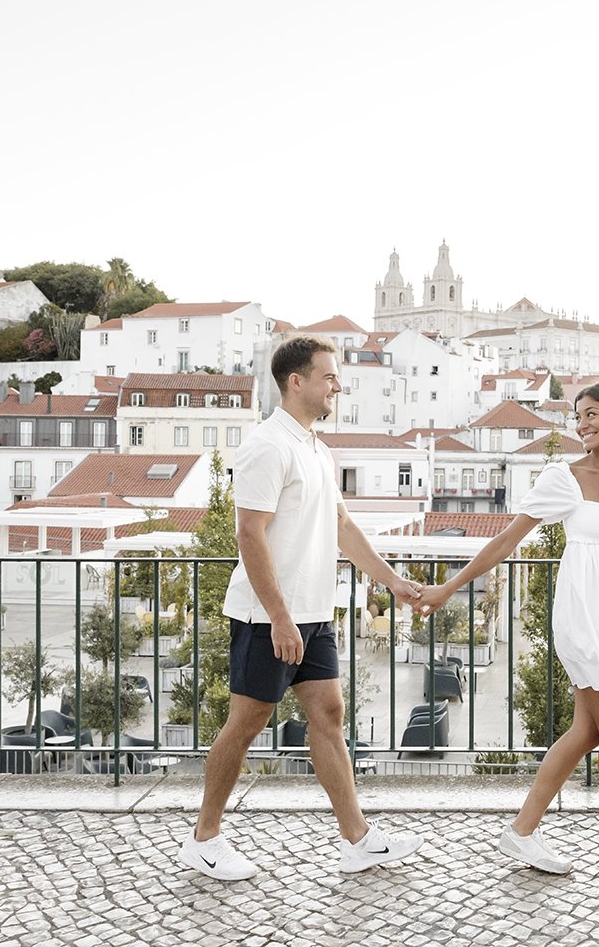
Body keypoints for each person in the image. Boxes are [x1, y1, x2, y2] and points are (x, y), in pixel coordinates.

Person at [415, 381, 599, 873]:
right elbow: (507, 540)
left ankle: (522, 831)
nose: (582, 424)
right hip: (586, 616)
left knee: (588, 730)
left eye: (591, 414)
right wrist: (446, 587)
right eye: (577, 416)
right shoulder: (565, 477)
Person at [179, 334, 426, 880]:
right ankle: (204, 837)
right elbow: (249, 533)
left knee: (329, 716)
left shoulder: (316, 446)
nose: (337, 384)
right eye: (329, 376)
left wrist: (392, 581)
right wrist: (281, 617)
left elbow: (341, 527)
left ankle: (357, 838)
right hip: (267, 617)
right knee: (247, 722)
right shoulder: (268, 446)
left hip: (315, 614)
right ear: (297, 382)